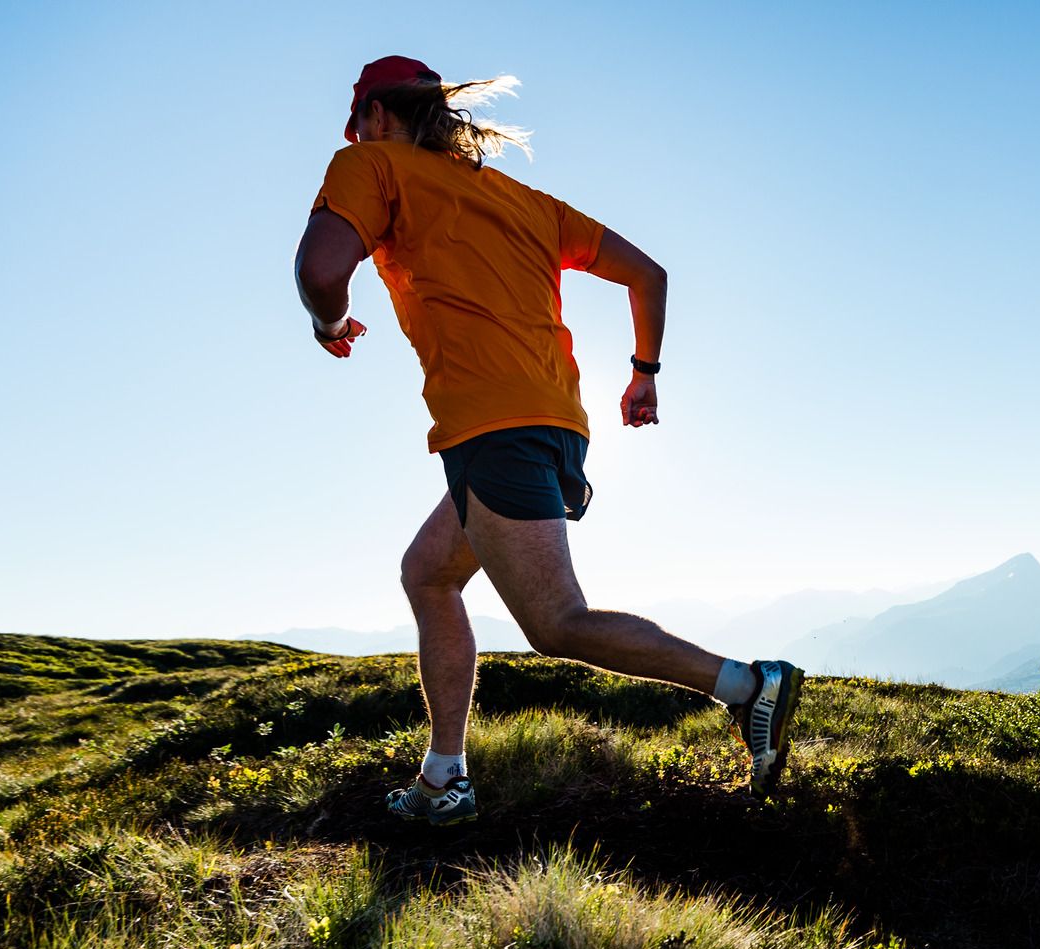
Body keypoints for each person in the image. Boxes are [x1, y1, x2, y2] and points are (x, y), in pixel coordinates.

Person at [293, 56, 804, 825]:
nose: (356, 134)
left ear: (377, 115)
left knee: (555, 620)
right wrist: (643, 373)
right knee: (428, 573)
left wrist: (330, 324)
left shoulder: (371, 165)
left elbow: (321, 269)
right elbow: (650, 274)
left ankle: (747, 686)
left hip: (492, 426)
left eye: (358, 121)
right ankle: (444, 778)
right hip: (556, 421)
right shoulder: (522, 200)